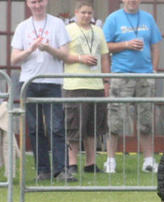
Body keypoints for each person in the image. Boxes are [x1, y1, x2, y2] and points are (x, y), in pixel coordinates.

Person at [11, 0, 74, 182]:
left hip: (52, 81)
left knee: (56, 127)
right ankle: (43, 170)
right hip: (29, 82)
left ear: (45, 2)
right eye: (33, 2)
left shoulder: (57, 24)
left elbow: (65, 54)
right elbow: (14, 58)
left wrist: (48, 48)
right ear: (28, 4)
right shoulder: (23, 27)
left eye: (40, 1)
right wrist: (30, 49)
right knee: (35, 129)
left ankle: (61, 169)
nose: (37, 5)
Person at [102, 0, 162, 174]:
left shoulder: (148, 18)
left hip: (144, 76)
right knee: (115, 120)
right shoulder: (113, 19)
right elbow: (105, 46)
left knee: (146, 120)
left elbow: (156, 45)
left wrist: (154, 70)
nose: (132, 1)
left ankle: (149, 161)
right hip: (121, 75)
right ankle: (110, 160)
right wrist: (126, 45)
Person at [62, 0, 110, 175]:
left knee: (93, 127)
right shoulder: (67, 31)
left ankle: (91, 163)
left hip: (95, 85)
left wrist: (106, 81)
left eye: (89, 13)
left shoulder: (98, 31)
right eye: (83, 12)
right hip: (74, 85)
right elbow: (63, 54)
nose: (86, 16)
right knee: (74, 125)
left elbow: (104, 57)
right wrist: (80, 58)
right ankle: (72, 163)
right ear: (76, 13)